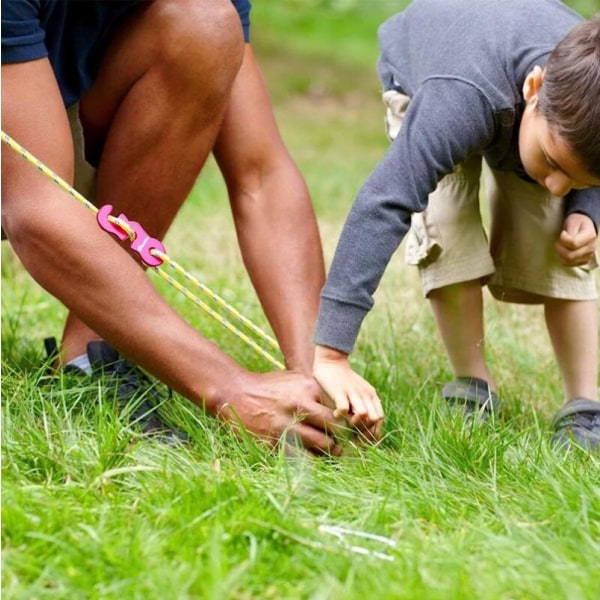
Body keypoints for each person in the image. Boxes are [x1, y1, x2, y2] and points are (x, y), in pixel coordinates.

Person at [2, 0, 342, 455]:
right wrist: (229, 388)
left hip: (48, 136)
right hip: (20, 161)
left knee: (203, 24)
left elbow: (261, 174)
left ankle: (91, 356)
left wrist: (316, 365)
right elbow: (34, 207)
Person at [312, 0, 600, 449]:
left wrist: (587, 211)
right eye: (553, 162)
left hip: (511, 93)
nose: (560, 187)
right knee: (446, 223)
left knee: (560, 234)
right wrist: (331, 353)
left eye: (578, 179)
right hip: (433, 73)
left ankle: (584, 404)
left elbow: (578, 162)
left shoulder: (579, 98)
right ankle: (473, 385)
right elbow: (384, 201)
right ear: (535, 88)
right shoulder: (457, 97)